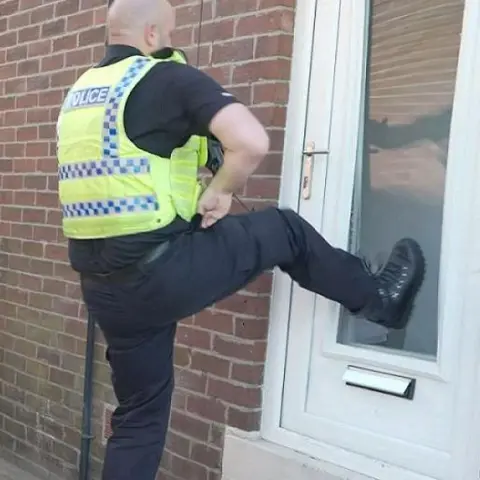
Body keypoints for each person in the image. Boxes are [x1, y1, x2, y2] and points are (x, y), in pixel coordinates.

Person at [55, 0, 426, 478]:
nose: (168, 41)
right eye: (167, 33)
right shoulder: (166, 76)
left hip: (104, 287)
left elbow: (130, 170)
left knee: (139, 417)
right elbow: (250, 141)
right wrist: (222, 191)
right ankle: (380, 300)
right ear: (151, 34)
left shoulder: (81, 96)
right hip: (160, 271)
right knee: (284, 229)